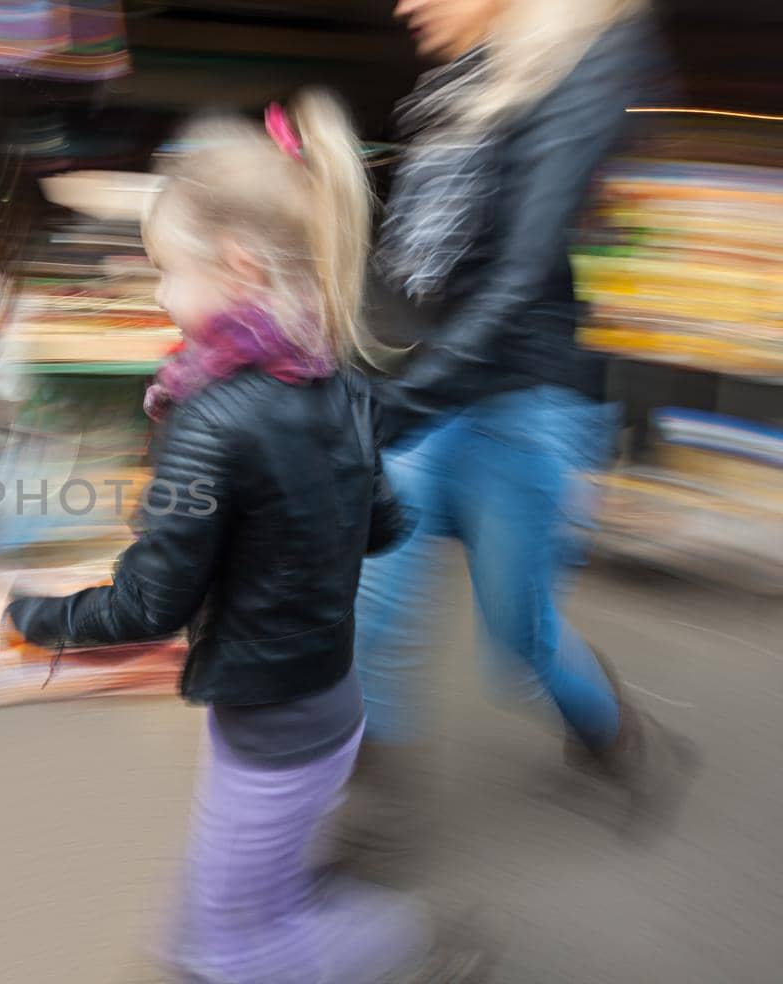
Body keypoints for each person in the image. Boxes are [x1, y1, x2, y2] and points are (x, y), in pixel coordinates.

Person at [0, 92, 484, 984]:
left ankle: (409, 944)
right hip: (326, 706)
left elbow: (149, 605)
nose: (158, 291)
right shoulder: (337, 382)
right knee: (218, 916)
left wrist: (26, 617)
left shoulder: (208, 414)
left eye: (166, 270)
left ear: (239, 266)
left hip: (271, 726)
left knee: (236, 948)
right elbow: (385, 525)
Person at [346, 0, 697, 861]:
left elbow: (515, 282)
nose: (406, 4)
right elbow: (405, 275)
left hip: (524, 400)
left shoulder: (585, 60)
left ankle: (622, 740)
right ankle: (374, 820)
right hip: (431, 393)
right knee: (364, 604)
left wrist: (385, 405)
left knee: (519, 641)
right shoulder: (451, 88)